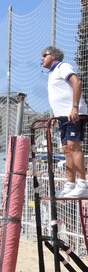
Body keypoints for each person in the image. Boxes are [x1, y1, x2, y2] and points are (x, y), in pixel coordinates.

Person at [42, 45, 88, 198]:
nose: (42, 58)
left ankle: (83, 183)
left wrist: (74, 107)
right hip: (62, 117)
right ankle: (70, 184)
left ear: (53, 56)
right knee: (66, 149)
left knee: (73, 146)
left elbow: (77, 83)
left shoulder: (63, 66)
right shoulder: (52, 73)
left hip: (73, 114)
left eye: (44, 55)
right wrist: (55, 116)